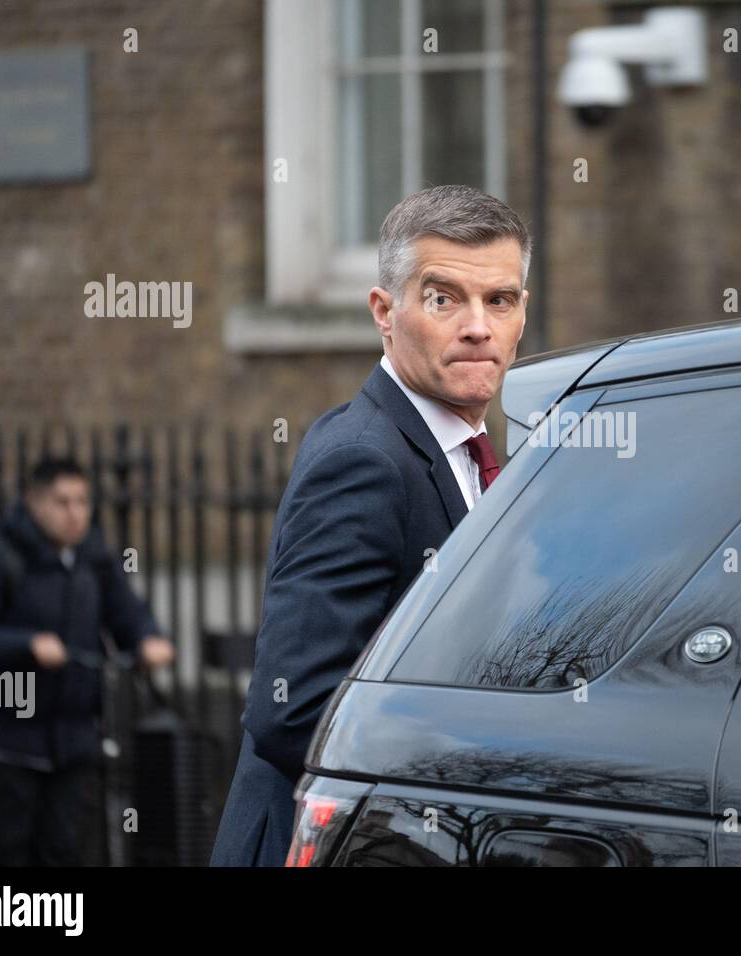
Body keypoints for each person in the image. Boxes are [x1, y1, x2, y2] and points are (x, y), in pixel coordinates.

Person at [210, 184, 531, 866]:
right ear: (385, 312)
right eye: (444, 299)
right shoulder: (364, 459)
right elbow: (293, 711)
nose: (478, 326)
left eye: (499, 300)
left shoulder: (467, 455)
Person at [0, 455, 175, 866]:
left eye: (82, 501)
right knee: (7, 850)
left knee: (63, 849)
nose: (75, 513)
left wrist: (146, 641)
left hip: (72, 741)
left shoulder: (93, 560)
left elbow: (127, 613)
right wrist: (26, 644)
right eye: (62, 502)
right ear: (33, 503)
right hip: (5, 741)